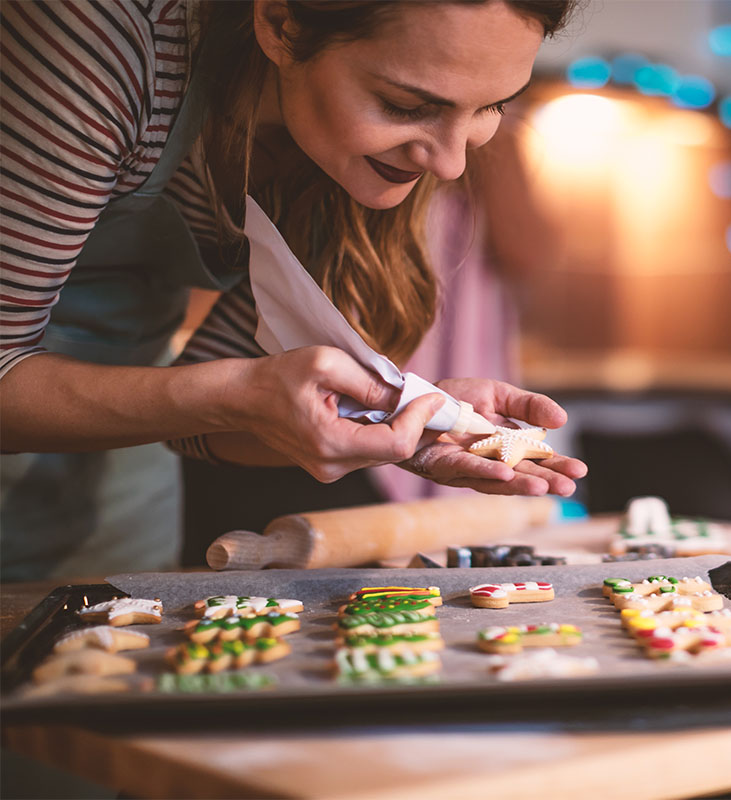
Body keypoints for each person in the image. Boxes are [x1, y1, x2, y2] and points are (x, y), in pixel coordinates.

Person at [0, 0, 587, 580]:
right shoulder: (111, 36)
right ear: (280, 23)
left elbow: (199, 427)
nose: (451, 164)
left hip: (111, 474)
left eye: (491, 106)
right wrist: (236, 391)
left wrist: (398, 429)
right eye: (406, 105)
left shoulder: (333, 162)